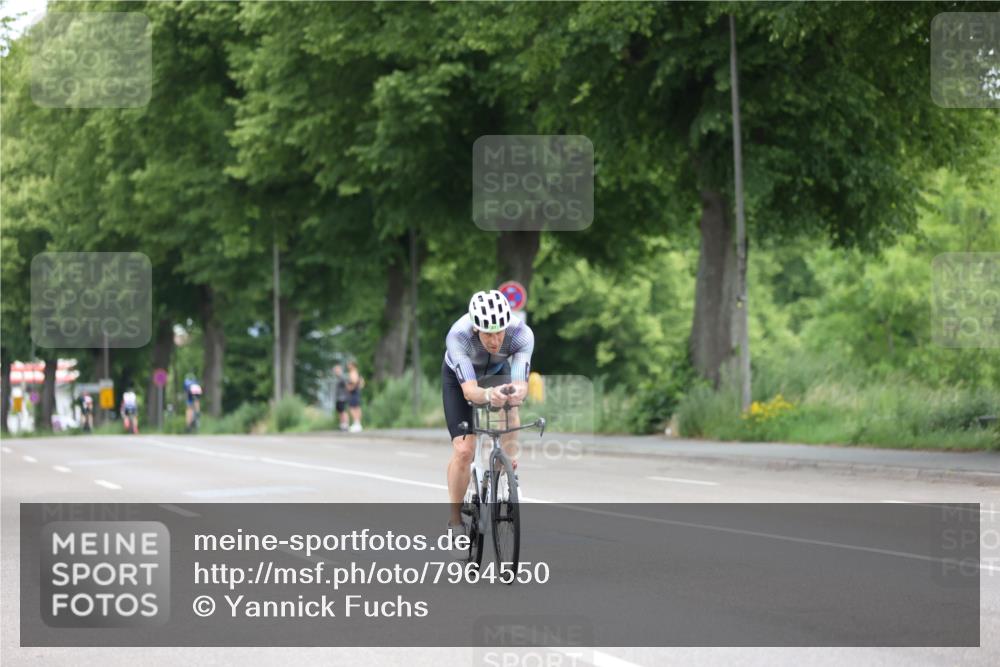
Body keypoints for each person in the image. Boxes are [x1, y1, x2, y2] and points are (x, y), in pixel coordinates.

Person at [442, 289, 533, 538]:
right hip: (460, 379)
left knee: (511, 405)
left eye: (499, 332)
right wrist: (488, 395)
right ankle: (454, 521)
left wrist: (515, 393)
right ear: (475, 329)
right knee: (464, 451)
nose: (494, 340)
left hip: (497, 370)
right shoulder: (458, 336)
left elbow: (522, 384)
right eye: (488, 334)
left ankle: (510, 474)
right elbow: (470, 392)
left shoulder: (521, 334)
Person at [345, 361, 365, 432]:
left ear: (353, 365)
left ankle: (357, 423)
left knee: (352, 408)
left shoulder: (353, 373)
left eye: (349, 364)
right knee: (356, 407)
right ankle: (357, 423)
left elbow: (355, 382)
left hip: (353, 393)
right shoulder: (358, 373)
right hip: (356, 392)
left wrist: (350, 388)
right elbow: (362, 383)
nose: (348, 366)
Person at [332, 364, 349, 431]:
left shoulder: (342, 377)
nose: (335, 371)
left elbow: (347, 386)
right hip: (338, 397)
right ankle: (342, 424)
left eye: (336, 370)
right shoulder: (338, 378)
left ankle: (346, 425)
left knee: (343, 411)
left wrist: (346, 395)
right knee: (340, 411)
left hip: (342, 397)